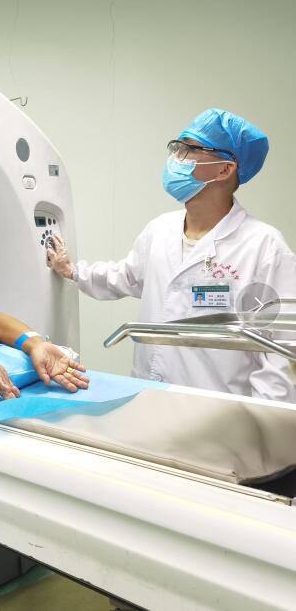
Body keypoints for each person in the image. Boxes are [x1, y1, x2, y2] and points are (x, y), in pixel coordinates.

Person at [46, 108, 296, 402]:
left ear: (225, 169)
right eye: (176, 147)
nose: (176, 157)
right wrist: (72, 270)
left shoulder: (263, 246)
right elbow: (127, 276)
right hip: (149, 395)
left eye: (189, 149)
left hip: (221, 409)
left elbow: (282, 348)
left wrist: (261, 417)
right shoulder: (160, 229)